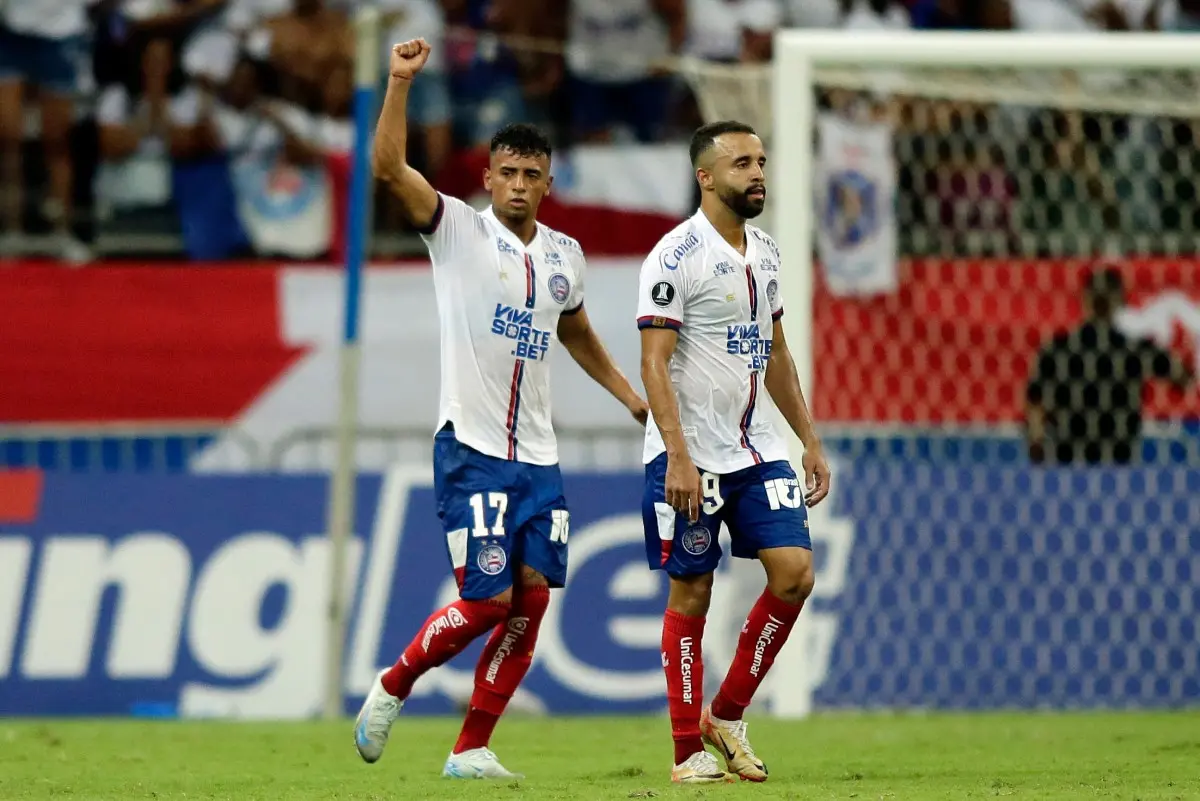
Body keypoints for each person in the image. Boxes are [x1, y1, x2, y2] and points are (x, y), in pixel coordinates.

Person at [354, 38, 649, 780]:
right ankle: (392, 686)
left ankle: (471, 747)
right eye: (507, 173)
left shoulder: (565, 257)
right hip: (473, 445)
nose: (518, 184)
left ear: (549, 182)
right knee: (485, 601)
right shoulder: (456, 228)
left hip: (539, 458)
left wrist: (628, 397)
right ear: (487, 177)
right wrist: (399, 82)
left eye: (532, 175)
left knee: (533, 597)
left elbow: (574, 327)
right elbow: (388, 168)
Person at [637, 120, 832, 784]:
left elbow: (774, 351)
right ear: (706, 177)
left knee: (796, 573)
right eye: (742, 162)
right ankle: (686, 751)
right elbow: (654, 365)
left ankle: (725, 713)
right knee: (692, 591)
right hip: (690, 454)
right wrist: (678, 456)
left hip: (756, 448)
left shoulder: (769, 252)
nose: (757, 173)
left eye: (761, 161)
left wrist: (807, 437)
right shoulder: (673, 256)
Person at [1026, 266, 1194, 465]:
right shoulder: (1135, 349)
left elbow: (1034, 402)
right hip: (1118, 457)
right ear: (1120, 300)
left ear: (1085, 299)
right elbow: (1182, 376)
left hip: (1069, 458)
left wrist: (1036, 441)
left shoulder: (1059, 348)